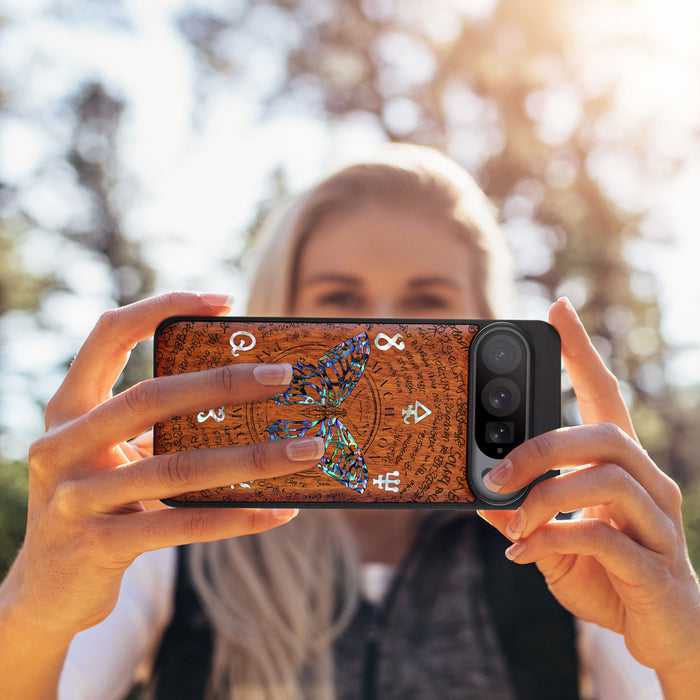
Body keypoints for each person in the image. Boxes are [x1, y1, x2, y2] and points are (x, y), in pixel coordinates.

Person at [0, 145, 698, 700]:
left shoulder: (567, 543)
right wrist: (34, 607)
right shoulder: (171, 535)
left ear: (487, 324)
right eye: (340, 299)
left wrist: (685, 648)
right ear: (279, 313)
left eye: (427, 302)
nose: (384, 331)